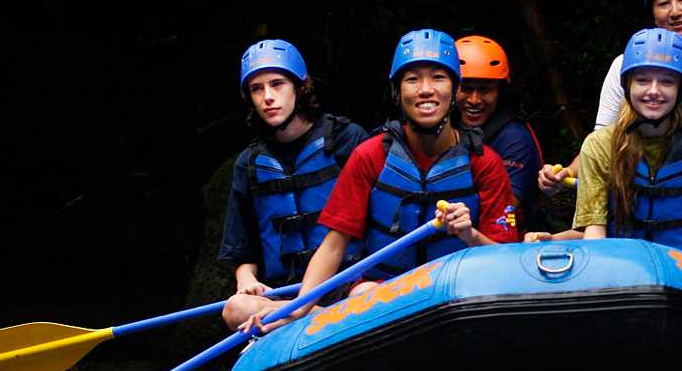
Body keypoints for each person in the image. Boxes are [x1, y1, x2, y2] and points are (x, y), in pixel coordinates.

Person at [268, 29, 519, 325]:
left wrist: (469, 235)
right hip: (385, 295)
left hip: (458, 294)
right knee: (360, 293)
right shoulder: (370, 155)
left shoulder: (484, 163)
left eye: (438, 77)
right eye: (412, 79)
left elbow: (506, 262)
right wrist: (298, 309)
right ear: (397, 92)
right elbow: (334, 245)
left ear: (455, 89)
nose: (426, 89)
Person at [533, 28, 682, 283]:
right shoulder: (600, 144)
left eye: (666, 81)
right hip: (631, 273)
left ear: (680, 88)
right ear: (627, 85)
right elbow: (595, 229)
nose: (654, 91)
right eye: (642, 80)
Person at [537, 0, 682, 198]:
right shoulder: (625, 66)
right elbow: (604, 140)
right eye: (663, 3)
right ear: (653, 14)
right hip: (641, 198)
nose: (675, 12)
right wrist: (566, 172)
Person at [219, 39, 370, 331]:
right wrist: (246, 281)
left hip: (347, 281)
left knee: (367, 294)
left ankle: (306, 314)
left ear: (299, 87)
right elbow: (243, 249)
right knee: (235, 308)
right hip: (282, 291)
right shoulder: (249, 163)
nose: (268, 97)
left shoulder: (345, 139)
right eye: (257, 89)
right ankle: (315, 314)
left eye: (277, 84)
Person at [454, 34, 546, 230]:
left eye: (485, 90)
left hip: (505, 244)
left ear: (500, 92)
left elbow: (504, 211)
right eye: (466, 89)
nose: (474, 100)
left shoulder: (515, 138)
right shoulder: (441, 128)